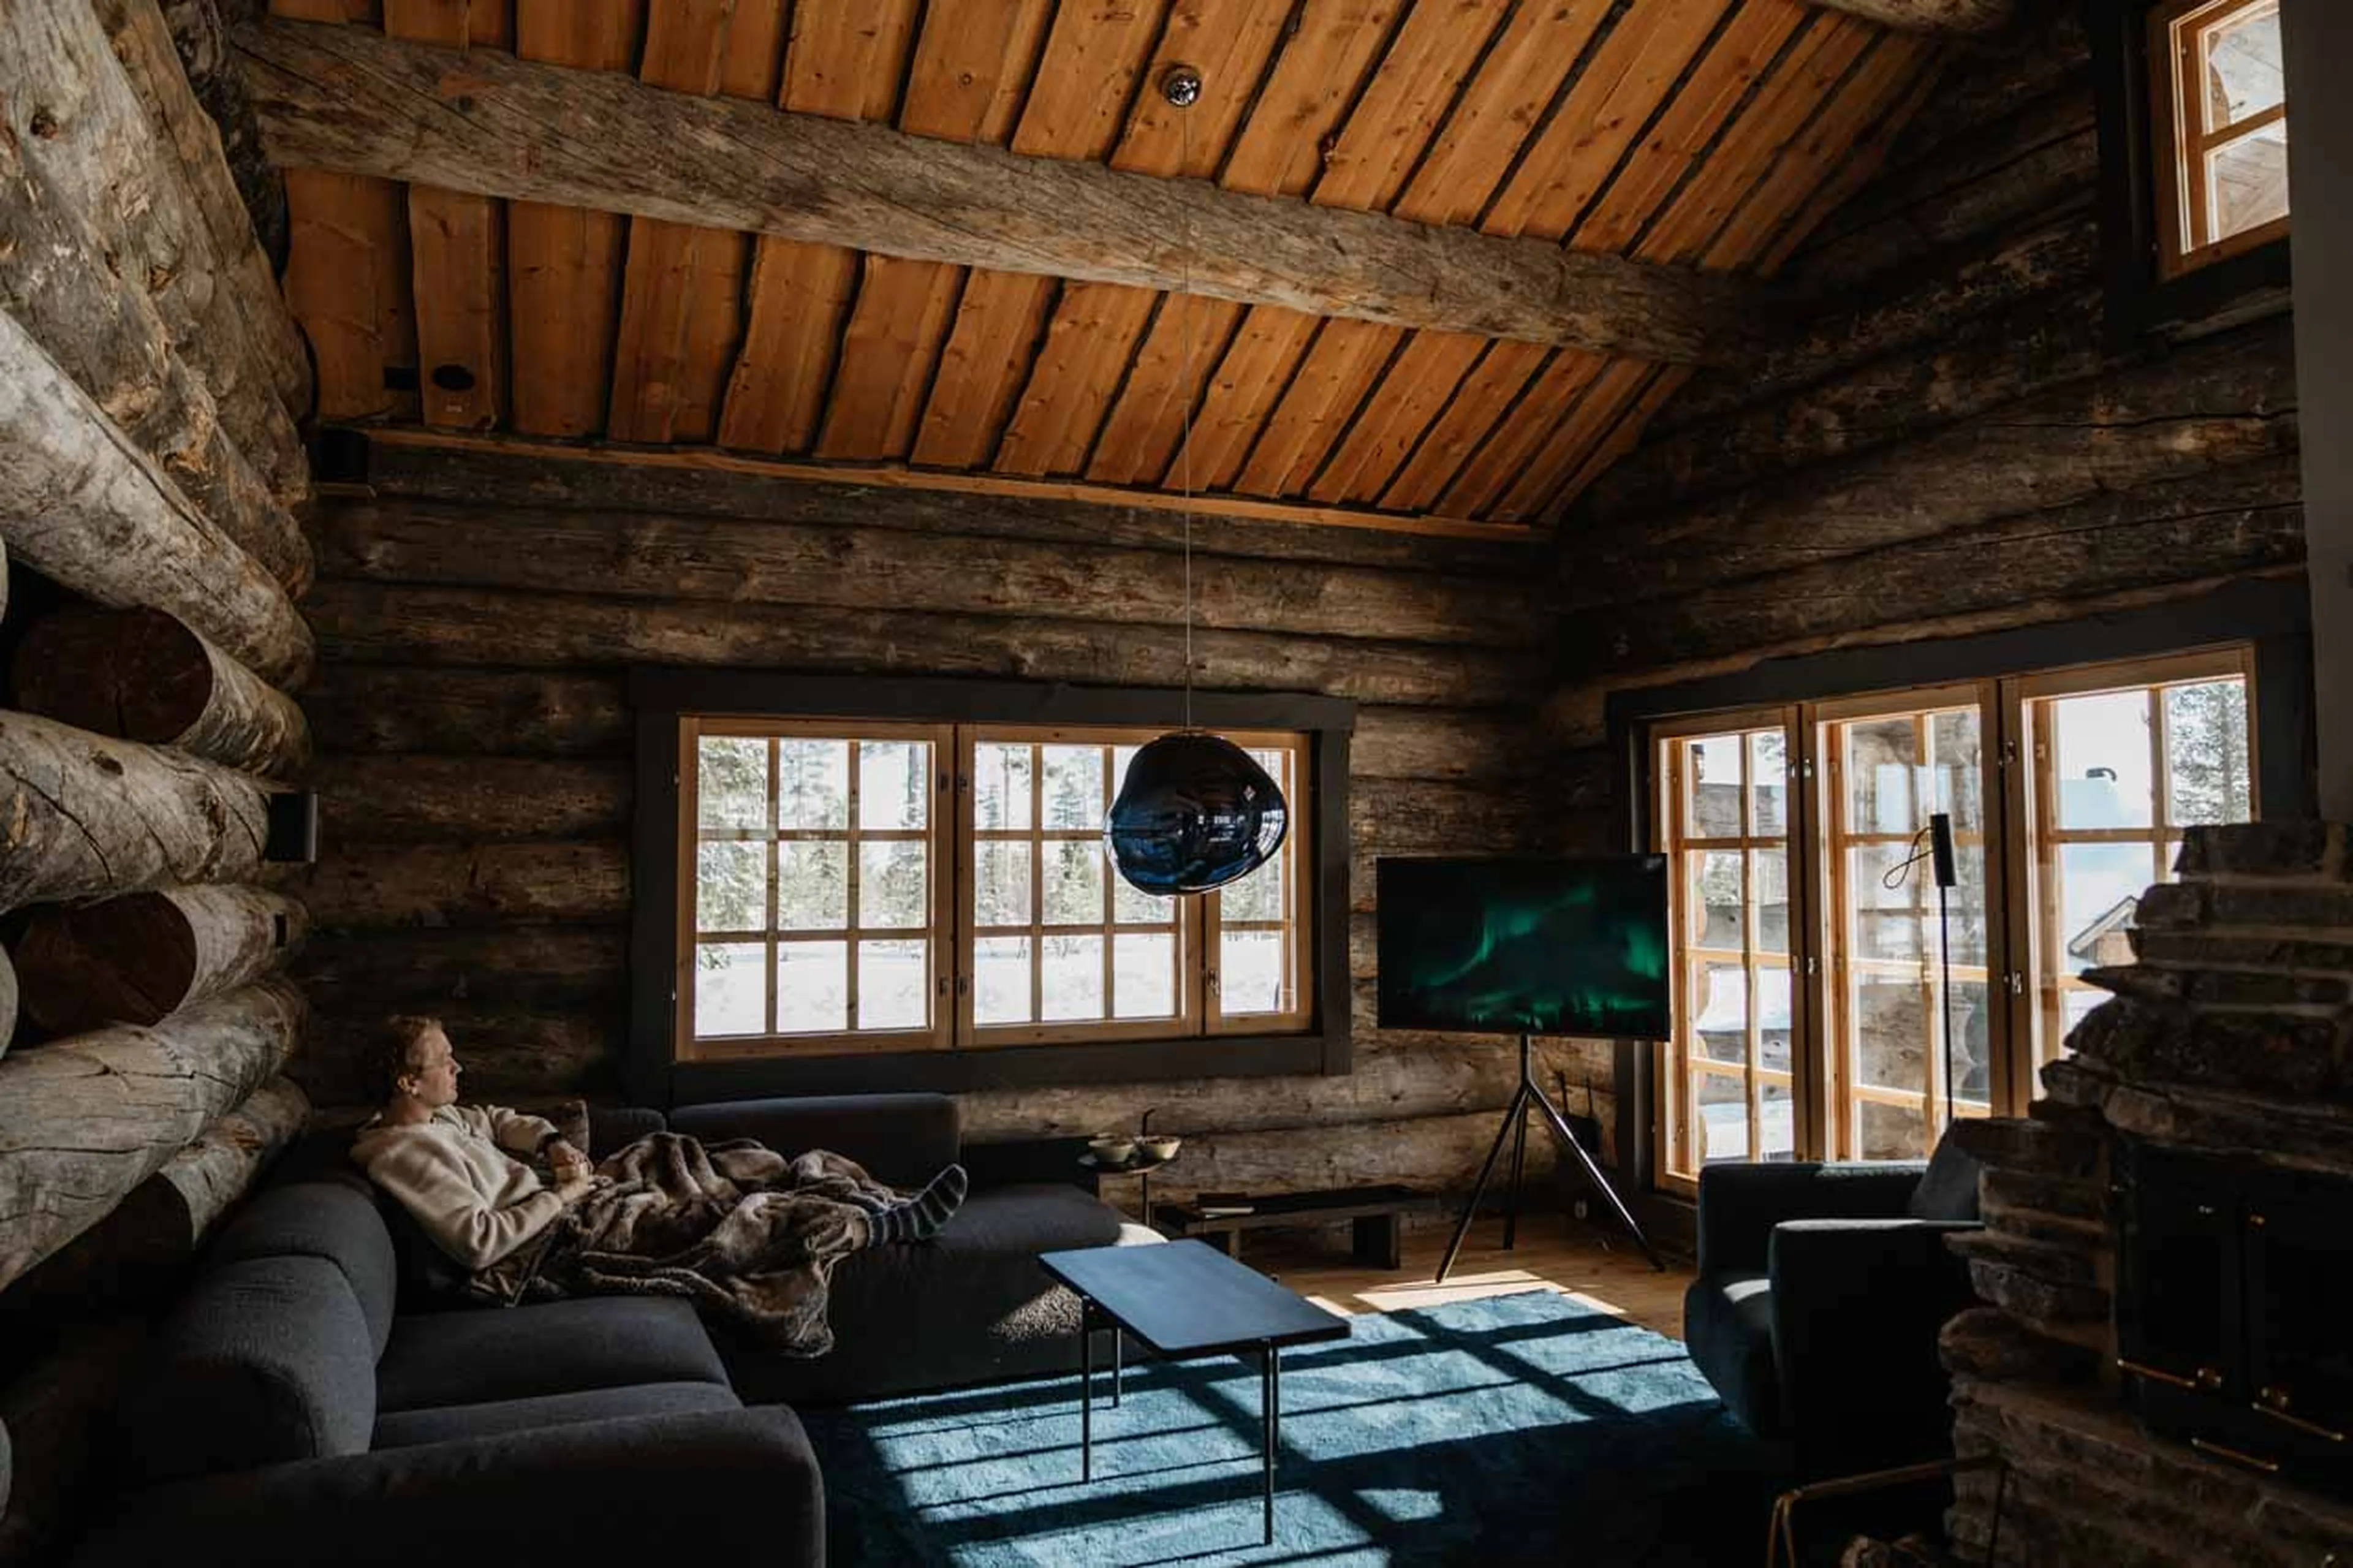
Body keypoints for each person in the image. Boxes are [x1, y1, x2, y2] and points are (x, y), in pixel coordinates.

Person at [349, 1015, 599, 1271]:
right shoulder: (405, 1155)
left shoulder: (441, 1116)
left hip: (560, 1206)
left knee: (642, 1152)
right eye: (444, 1060)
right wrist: (561, 1197)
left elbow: (497, 1122)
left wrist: (552, 1143)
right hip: (547, 1235)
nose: (457, 1067)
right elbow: (479, 1243)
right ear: (409, 1083)